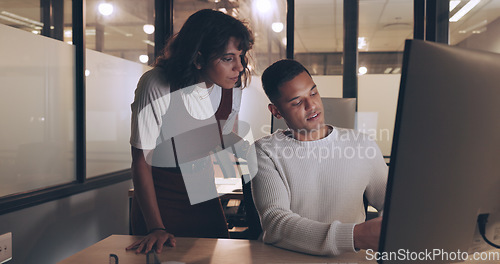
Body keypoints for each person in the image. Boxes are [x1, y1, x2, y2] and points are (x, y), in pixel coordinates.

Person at [126, 9, 254, 254]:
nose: (239, 67)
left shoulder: (230, 87)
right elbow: (141, 162)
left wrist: (260, 149)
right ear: (198, 58)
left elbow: (221, 135)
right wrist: (155, 227)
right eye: (228, 58)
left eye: (240, 56)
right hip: (159, 204)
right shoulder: (157, 84)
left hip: (205, 198)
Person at [249, 59, 388, 256]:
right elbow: (275, 223)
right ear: (276, 111)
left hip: (351, 261)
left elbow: (392, 204)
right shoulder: (264, 151)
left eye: (313, 93)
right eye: (297, 102)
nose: (311, 105)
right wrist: (354, 235)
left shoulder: (362, 144)